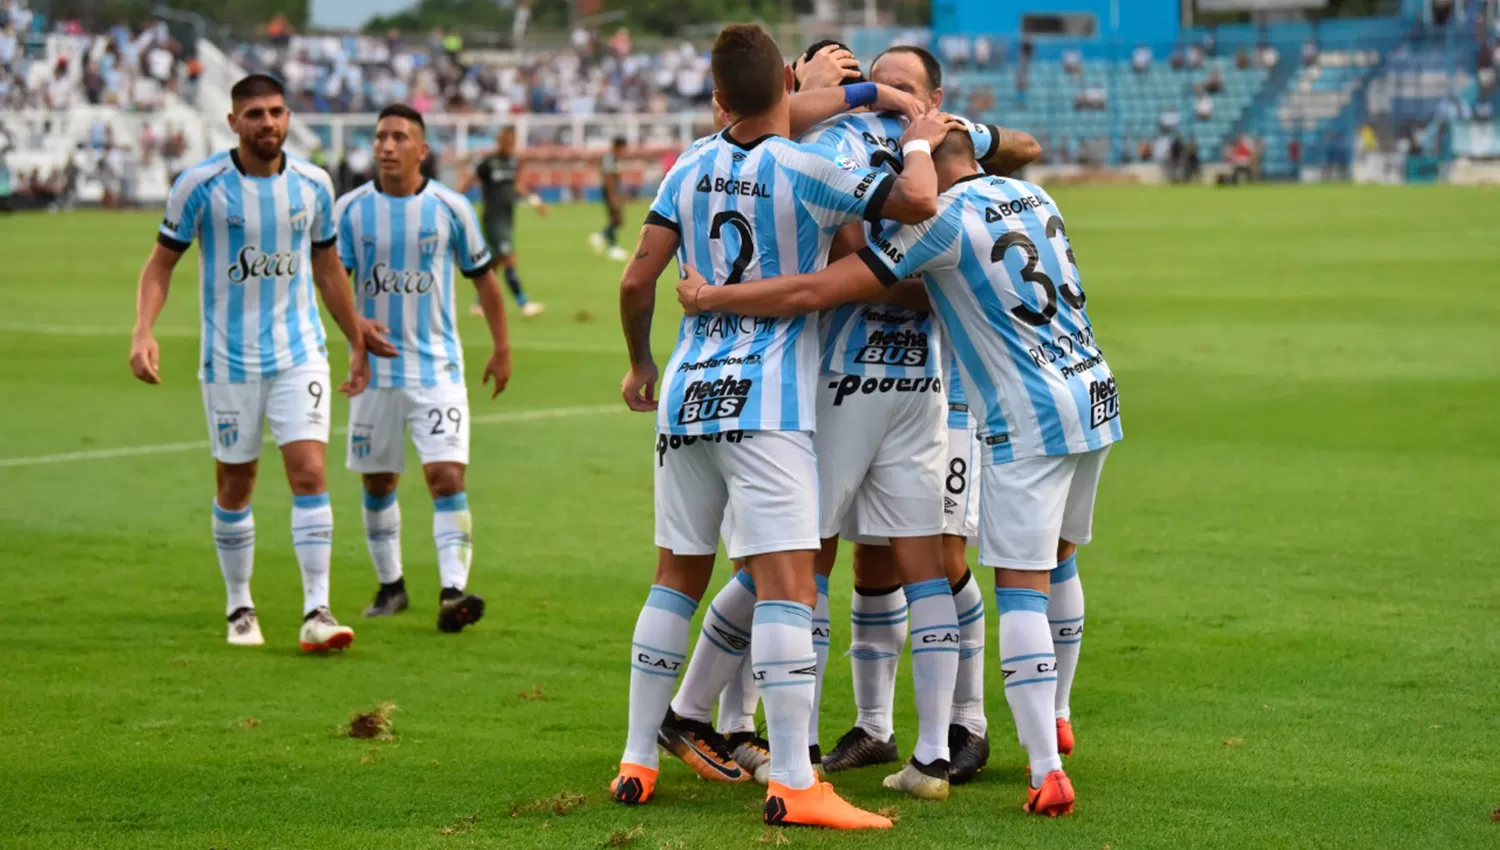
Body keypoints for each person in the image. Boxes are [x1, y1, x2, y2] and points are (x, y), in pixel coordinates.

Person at [674, 127, 1120, 818]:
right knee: (1044, 564)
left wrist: (710, 299)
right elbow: (1014, 155)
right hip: (1092, 393)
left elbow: (822, 288)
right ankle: (940, 737)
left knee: (1009, 585)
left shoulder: (934, 220)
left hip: (1008, 410)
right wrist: (936, 134)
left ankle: (1039, 764)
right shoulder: (1031, 194)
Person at [610, 22, 955, 830]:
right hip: (768, 405)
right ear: (790, 94)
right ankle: (797, 782)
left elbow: (636, 281)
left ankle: (636, 758)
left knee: (675, 576)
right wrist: (916, 136)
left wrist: (641, 364)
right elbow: (915, 204)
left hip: (688, 394)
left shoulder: (688, 164)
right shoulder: (809, 167)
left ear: (721, 98)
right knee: (790, 584)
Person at [128, 74, 396, 651]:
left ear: (288, 117)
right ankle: (240, 607)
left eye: (276, 112)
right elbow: (160, 264)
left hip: (300, 355)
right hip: (228, 361)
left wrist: (354, 337)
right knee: (236, 482)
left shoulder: (312, 184)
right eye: (254, 114)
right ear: (233, 122)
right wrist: (143, 331)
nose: (268, 123)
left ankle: (317, 610)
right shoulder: (200, 186)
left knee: (310, 473)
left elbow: (328, 268)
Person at [335, 104, 512, 633]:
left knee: (446, 475)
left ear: (422, 149)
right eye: (381, 137)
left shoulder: (450, 208)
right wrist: (354, 337)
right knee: (378, 481)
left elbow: (484, 279)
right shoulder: (349, 211)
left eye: (399, 137)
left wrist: (501, 347)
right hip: (376, 374)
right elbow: (335, 285)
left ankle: (453, 591)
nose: (387, 146)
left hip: (437, 370)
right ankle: (391, 587)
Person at [461, 126, 547, 318]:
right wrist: (453, 201)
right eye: (507, 141)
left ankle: (478, 304)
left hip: (507, 218)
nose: (510, 145)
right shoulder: (488, 163)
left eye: (512, 142)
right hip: (494, 219)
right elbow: (469, 182)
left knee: (495, 263)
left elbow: (516, 186)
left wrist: (535, 202)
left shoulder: (512, 162)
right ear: (500, 141)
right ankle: (524, 304)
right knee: (509, 259)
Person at [590, 136, 629, 261]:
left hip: (614, 191)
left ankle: (600, 236)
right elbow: (608, 178)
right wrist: (612, 196)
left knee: (618, 219)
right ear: (618, 146)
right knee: (616, 218)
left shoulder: (614, 158)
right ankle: (612, 248)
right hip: (610, 192)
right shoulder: (609, 158)